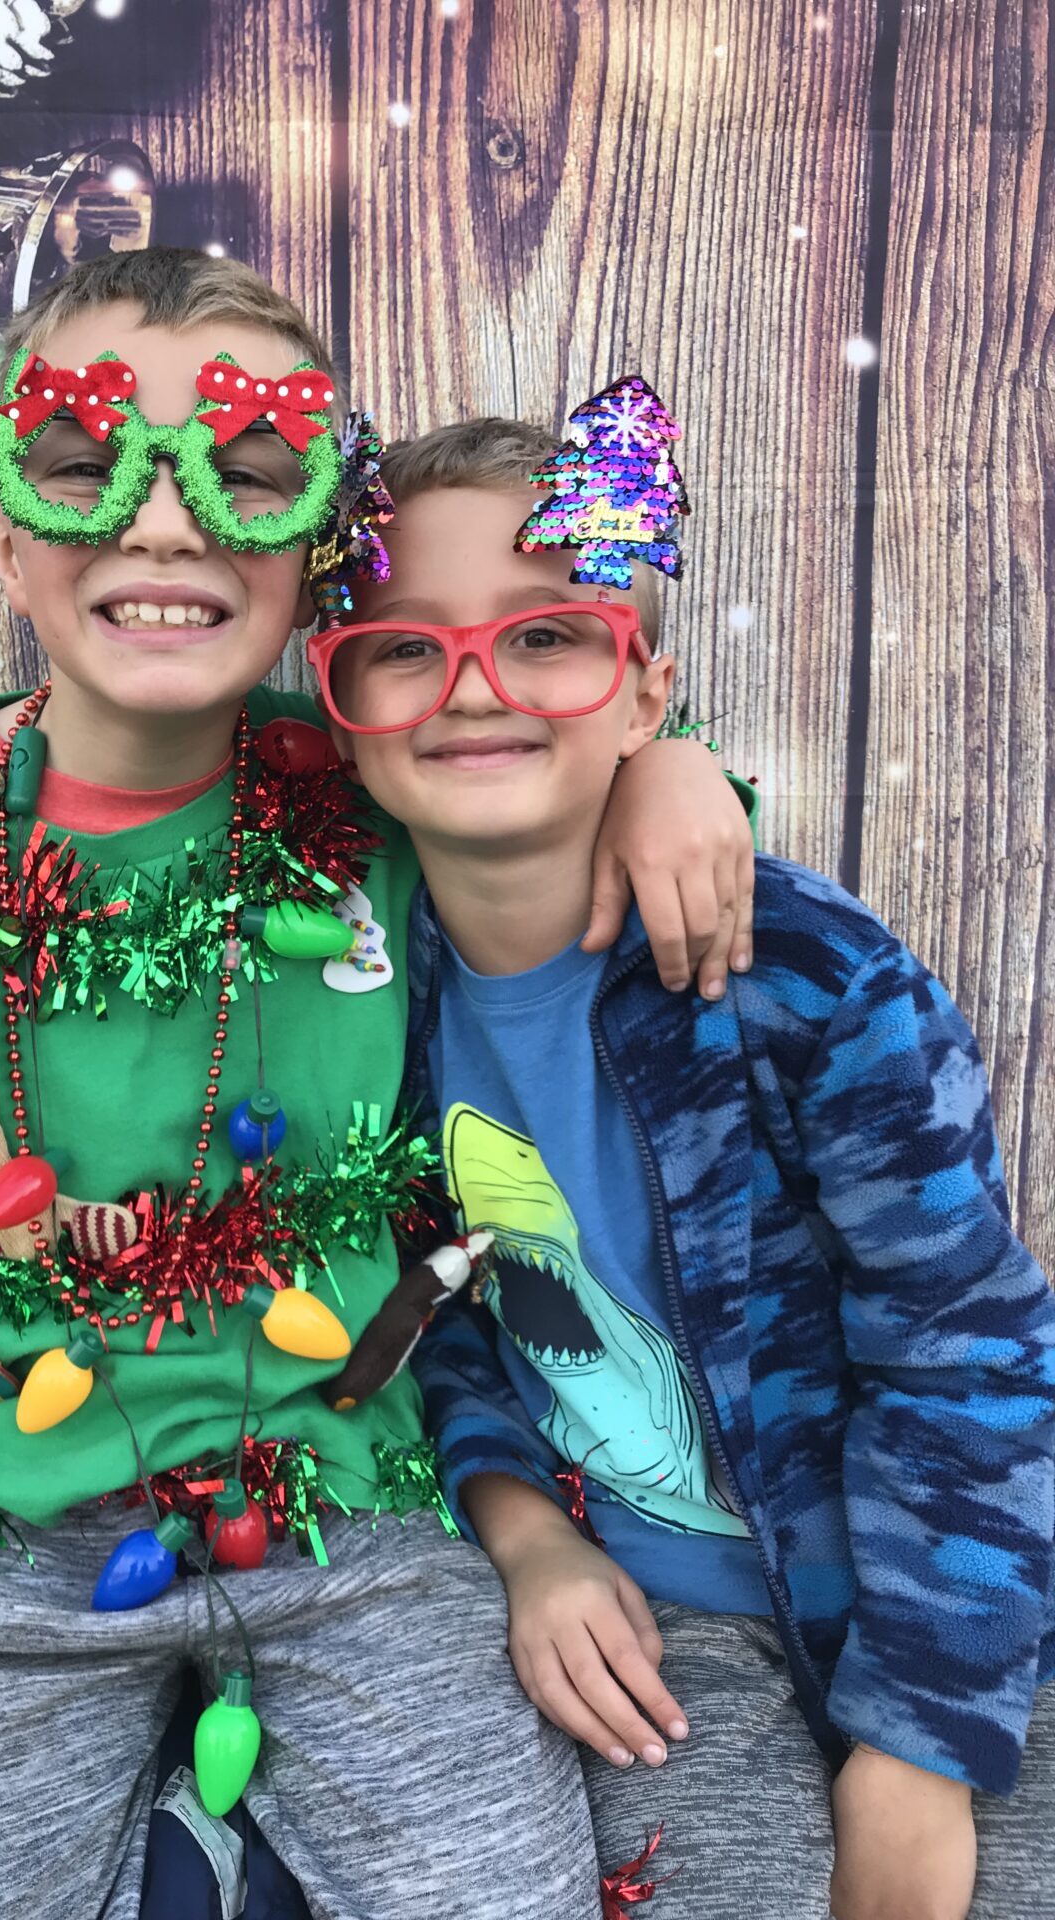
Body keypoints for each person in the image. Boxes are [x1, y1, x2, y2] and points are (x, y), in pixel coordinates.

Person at [0, 255, 753, 1920]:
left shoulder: (382, 790)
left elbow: (562, 782)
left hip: (356, 1511)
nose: (163, 525)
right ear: (3, 527)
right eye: (82, 466)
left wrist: (677, 769)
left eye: (244, 473)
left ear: (314, 552)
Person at [310, 400, 1055, 1920]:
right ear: (338, 708)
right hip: (654, 1628)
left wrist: (916, 1748)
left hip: (943, 1600)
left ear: (648, 688)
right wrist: (524, 1530)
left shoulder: (808, 978)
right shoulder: (356, 1005)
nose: (476, 685)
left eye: (546, 635)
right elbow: (435, 1318)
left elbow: (966, 1345)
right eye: (403, 646)